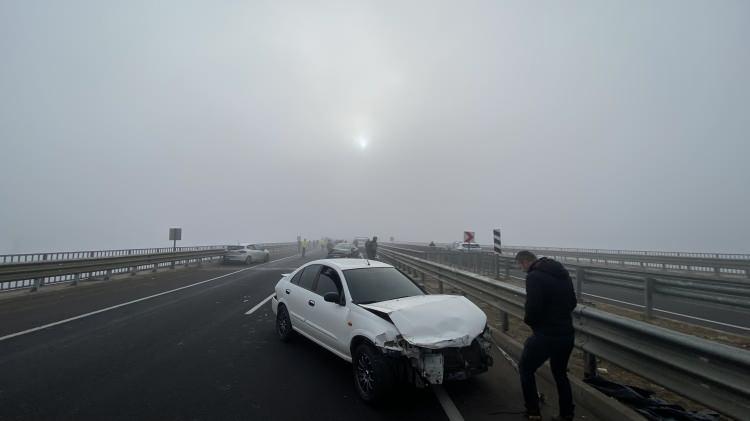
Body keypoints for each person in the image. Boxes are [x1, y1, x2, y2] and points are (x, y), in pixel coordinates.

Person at [515, 250, 577, 421]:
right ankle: (567, 414)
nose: (522, 269)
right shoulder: (562, 273)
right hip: (566, 334)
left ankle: (533, 412)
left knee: (526, 369)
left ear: (525, 261)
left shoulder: (534, 276)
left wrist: (533, 324)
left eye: (521, 266)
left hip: (546, 335)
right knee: (560, 374)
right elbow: (573, 302)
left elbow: (533, 308)